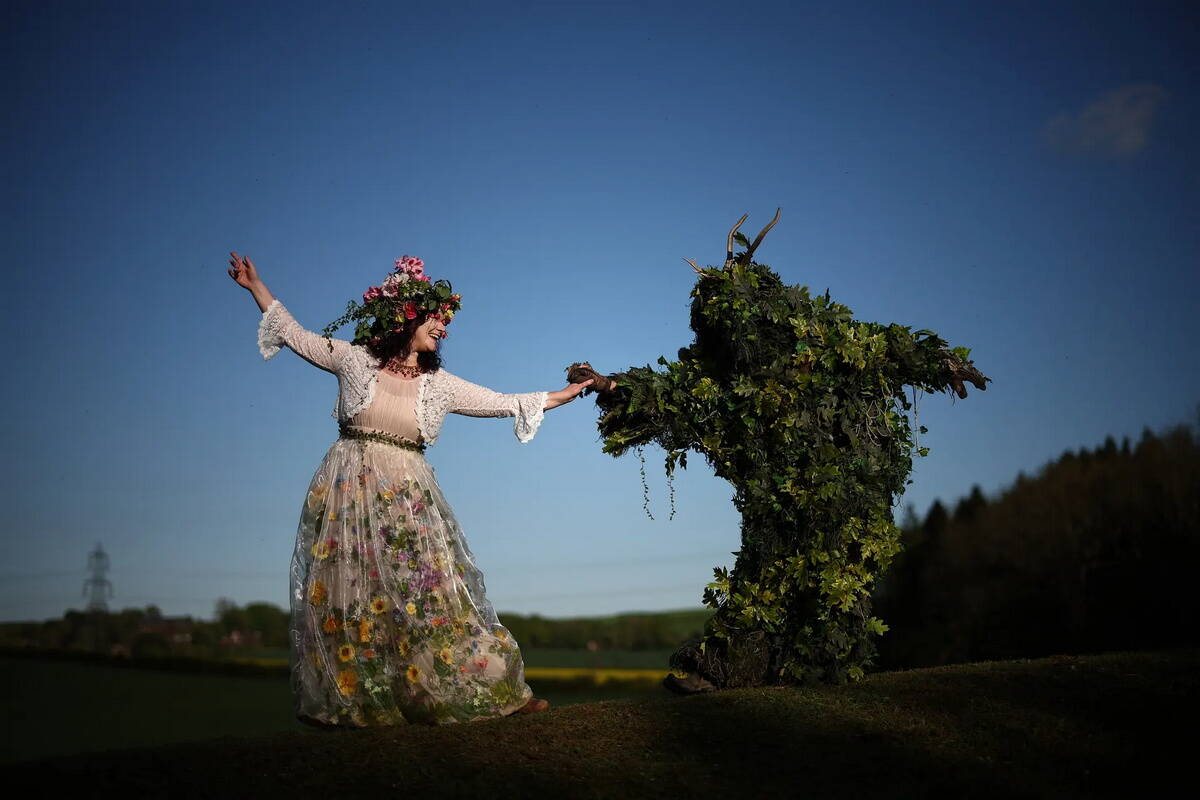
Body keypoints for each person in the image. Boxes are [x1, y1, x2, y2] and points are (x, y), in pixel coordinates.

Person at [228, 251, 594, 727]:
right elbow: (295, 334)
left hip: (407, 497)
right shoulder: (355, 359)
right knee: (351, 592)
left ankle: (479, 692)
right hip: (350, 491)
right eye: (435, 318)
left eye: (446, 321)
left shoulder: (438, 384)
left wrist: (564, 395)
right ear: (405, 317)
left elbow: (503, 402)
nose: (443, 327)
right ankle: (353, 701)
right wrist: (256, 286)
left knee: (429, 592)